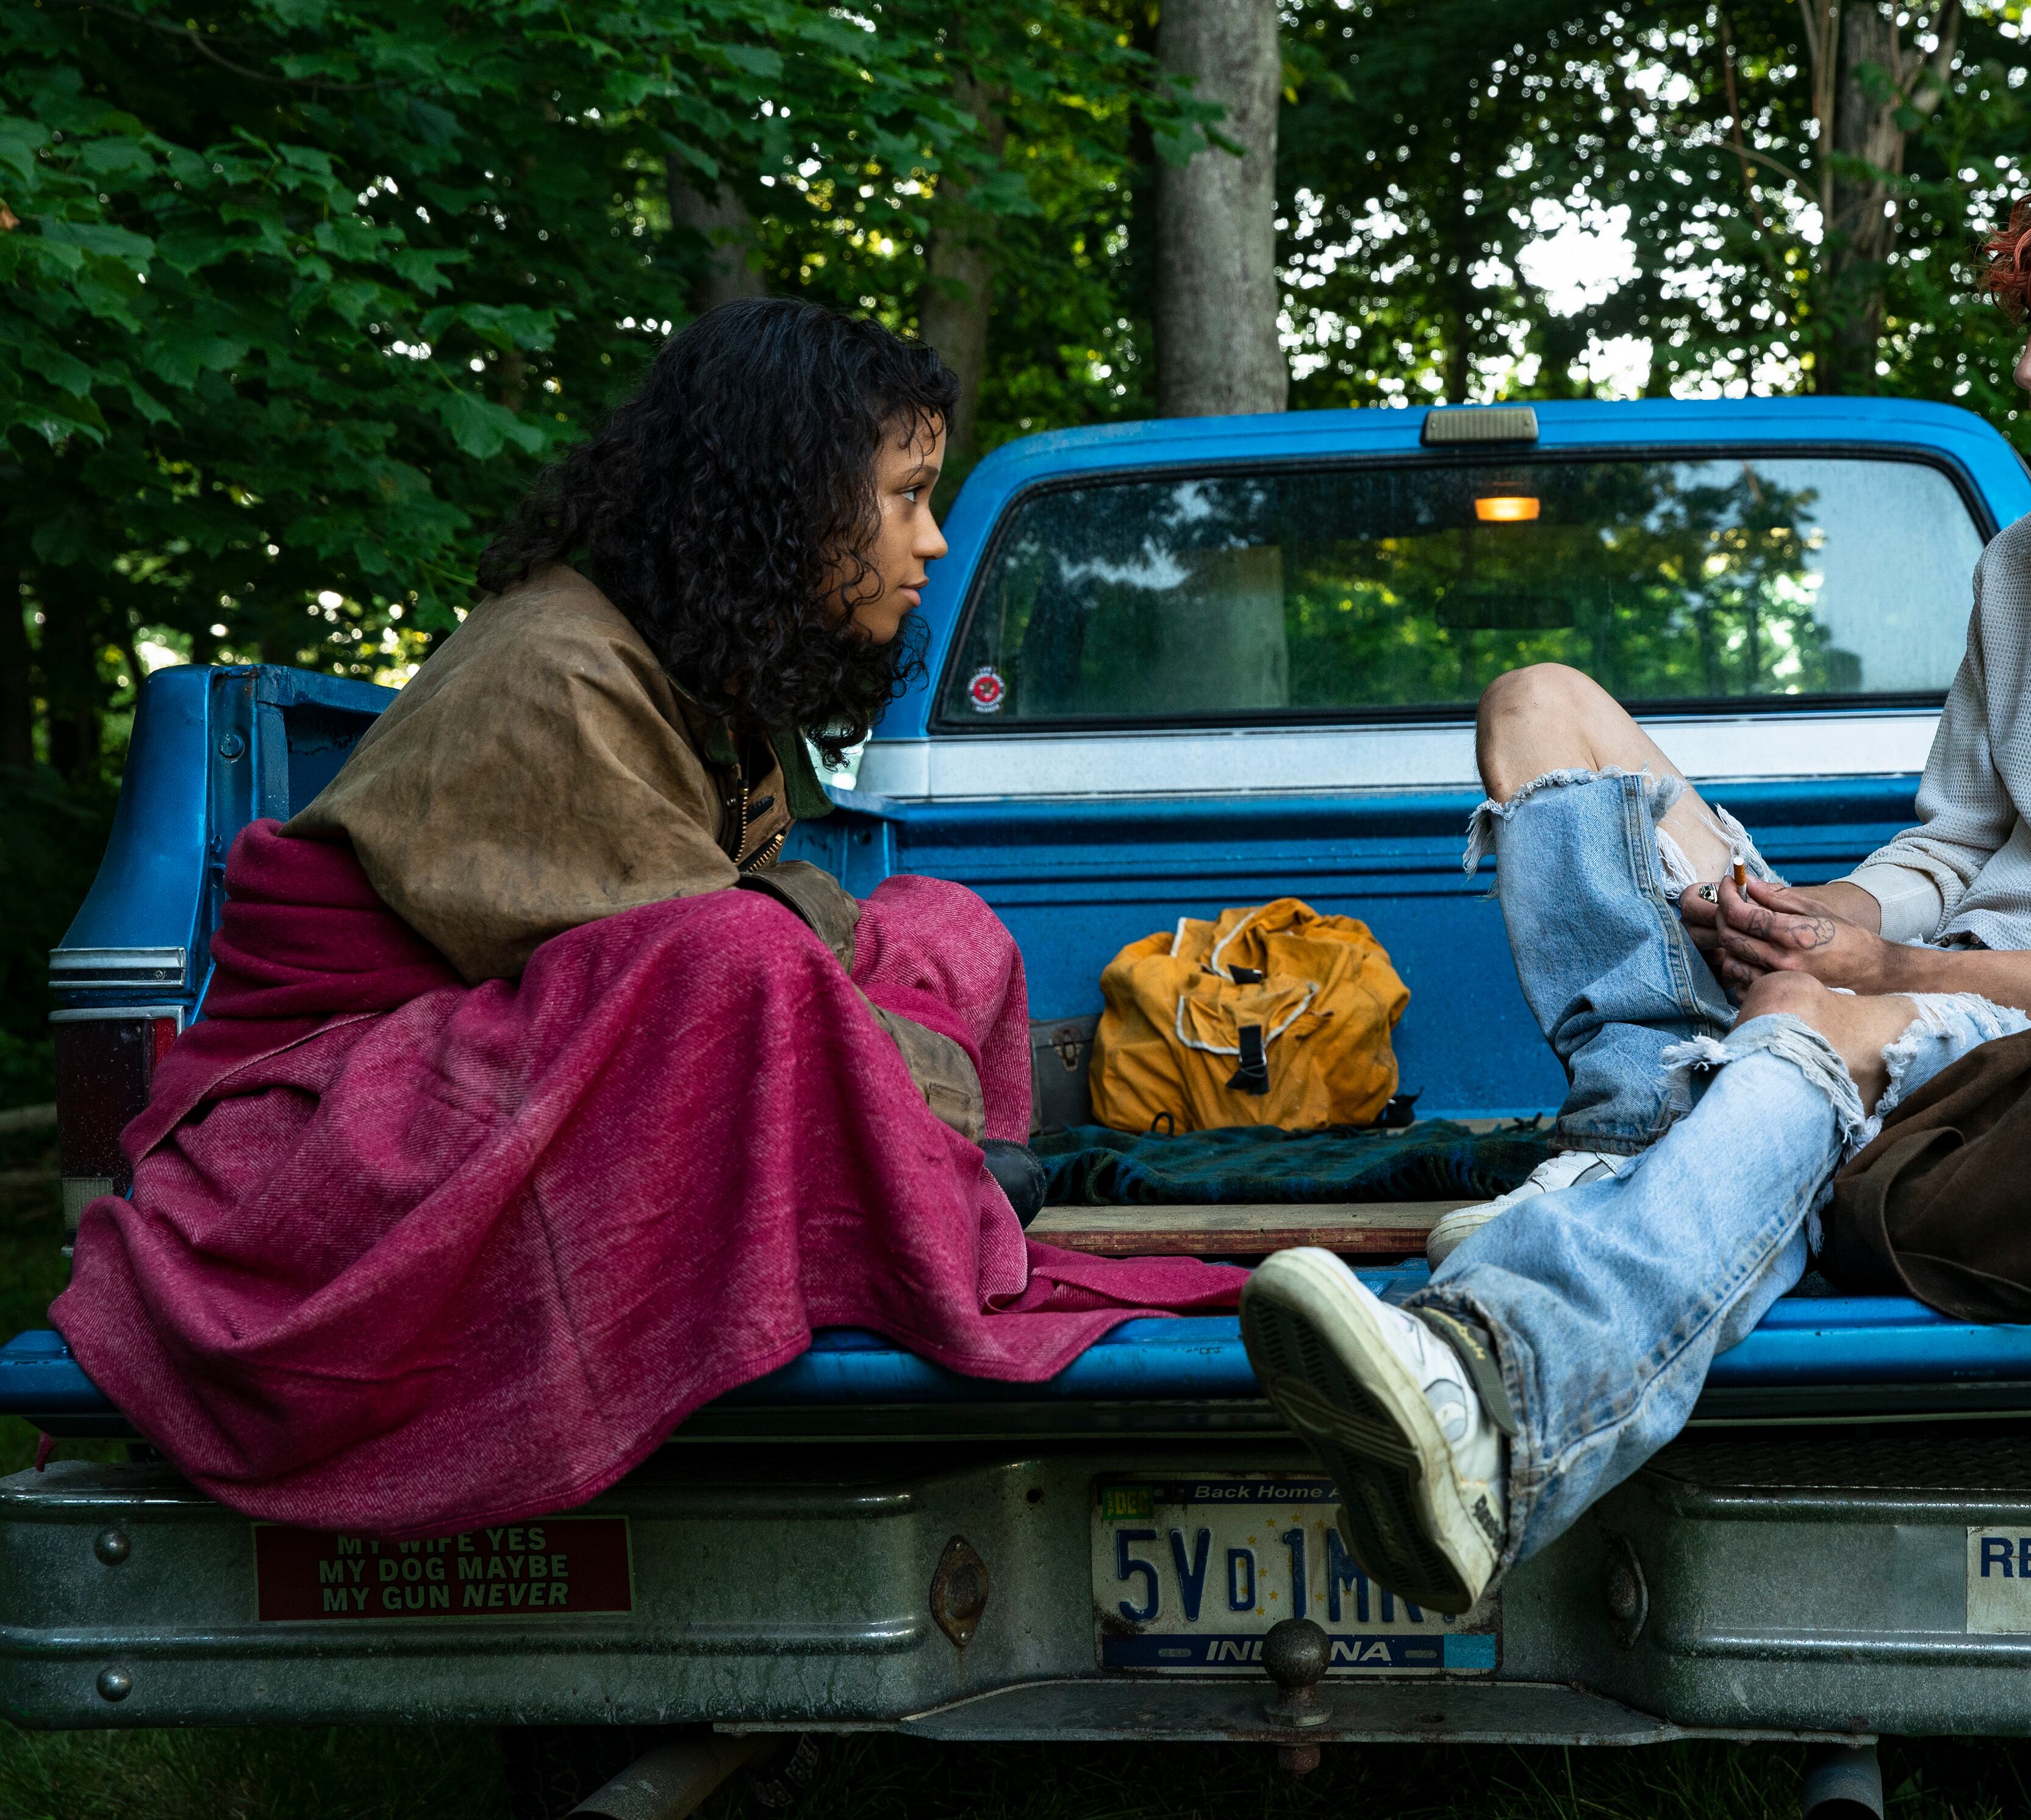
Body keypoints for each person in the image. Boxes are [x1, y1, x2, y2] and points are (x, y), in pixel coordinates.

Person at [1238, 119, 2031, 1615]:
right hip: (1915, 986)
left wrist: (1893, 976)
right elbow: (1955, 842)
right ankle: (1651, 1129)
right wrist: (1826, 913)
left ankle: (1499, 1396)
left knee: (1828, 1020)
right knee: (1541, 707)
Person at [54, 299, 1241, 1537]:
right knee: (743, 963)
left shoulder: (691, 677)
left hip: (510, 1071)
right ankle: (922, 1205)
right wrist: (912, 1105)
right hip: (323, 1151)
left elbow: (778, 914)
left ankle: (919, 1200)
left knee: (937, 920)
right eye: (904, 498)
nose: (932, 543)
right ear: (789, 502)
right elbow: (718, 969)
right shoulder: (555, 675)